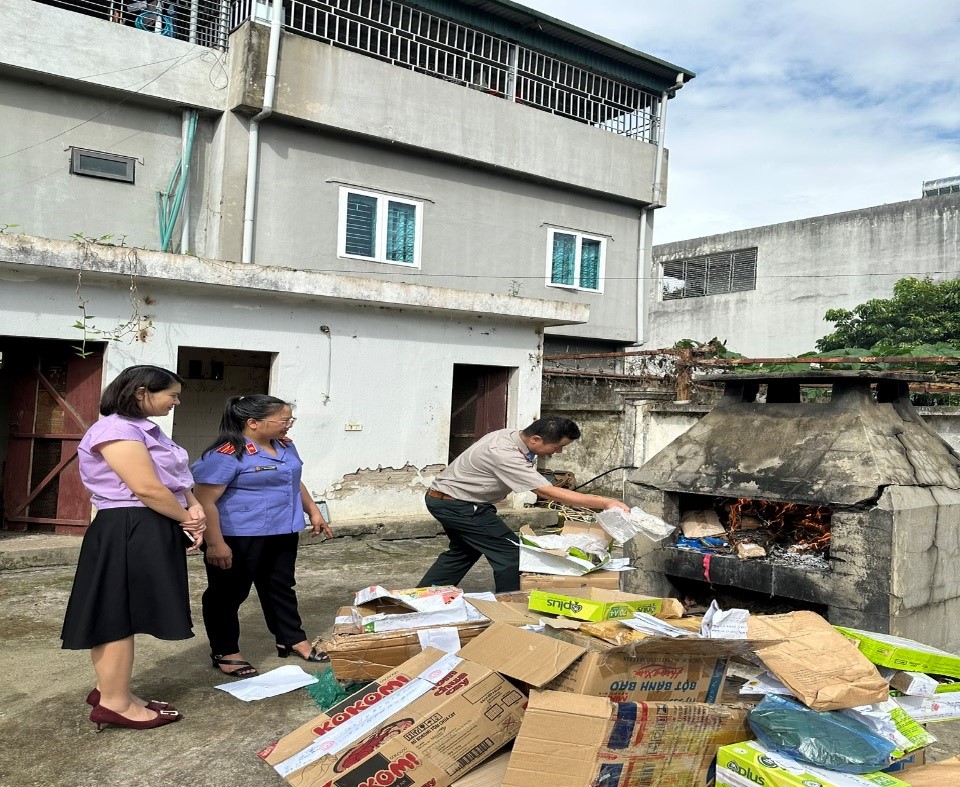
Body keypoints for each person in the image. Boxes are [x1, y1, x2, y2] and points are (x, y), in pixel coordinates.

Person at [61, 365, 206, 732]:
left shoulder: (145, 429)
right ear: (142, 393)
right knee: (116, 613)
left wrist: (192, 506)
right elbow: (146, 488)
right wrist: (187, 520)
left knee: (128, 610)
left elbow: (173, 480)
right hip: (129, 524)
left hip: (148, 523)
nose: (176, 402)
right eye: (172, 395)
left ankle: (112, 690)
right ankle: (115, 703)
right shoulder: (116, 430)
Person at [191, 395, 333, 678]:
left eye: (290, 419)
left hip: (282, 530)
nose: (288, 425)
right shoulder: (225, 455)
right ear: (253, 423)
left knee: (281, 586)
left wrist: (313, 510)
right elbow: (204, 500)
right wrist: (215, 544)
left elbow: (293, 480)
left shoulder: (285, 446)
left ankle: (291, 638)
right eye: (283, 420)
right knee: (228, 594)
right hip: (237, 535)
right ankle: (225, 650)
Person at [418, 416, 631, 593]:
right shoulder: (504, 453)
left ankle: (423, 596)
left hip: (449, 499)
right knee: (512, 555)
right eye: (558, 446)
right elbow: (545, 491)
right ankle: (510, 607)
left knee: (464, 552)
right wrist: (605, 502)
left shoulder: (510, 436)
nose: (558, 452)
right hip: (459, 505)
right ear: (536, 439)